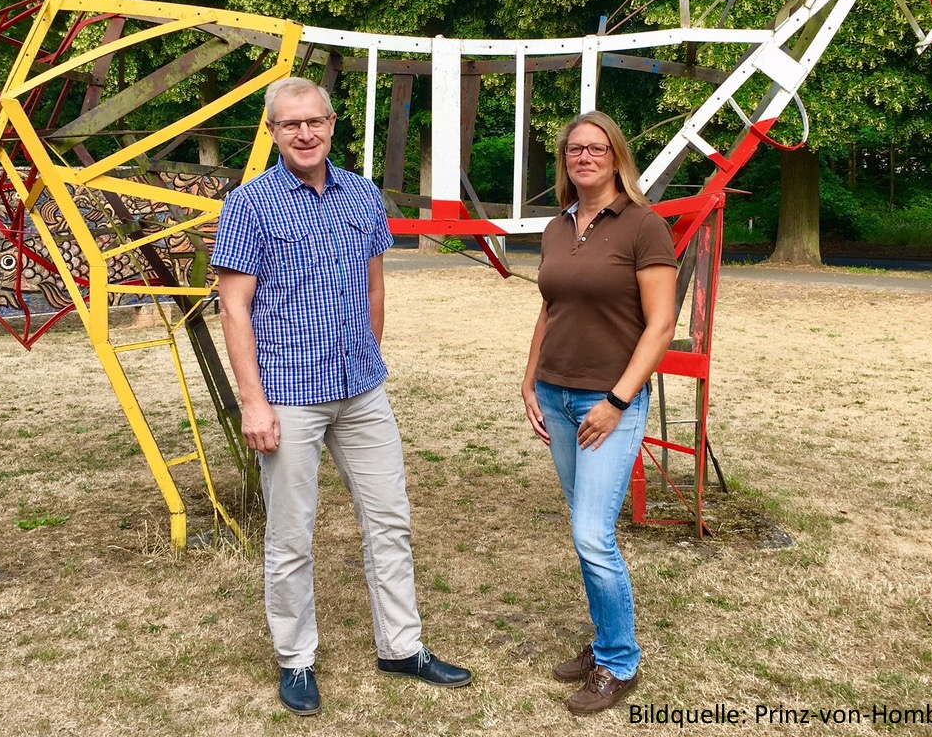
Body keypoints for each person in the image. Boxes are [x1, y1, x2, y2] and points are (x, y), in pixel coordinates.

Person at [212, 77, 472, 716]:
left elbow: (375, 290)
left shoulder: (361, 194)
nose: (304, 134)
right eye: (290, 125)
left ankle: (401, 647)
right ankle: (296, 659)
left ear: (332, 124)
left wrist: (370, 358)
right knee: (291, 535)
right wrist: (252, 401)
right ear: (272, 132)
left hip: (361, 392)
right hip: (288, 395)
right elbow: (234, 309)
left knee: (390, 520)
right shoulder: (251, 204)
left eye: (314, 122)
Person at [521, 111, 678, 715]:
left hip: (606, 401)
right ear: (565, 162)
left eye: (597, 147)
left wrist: (617, 401)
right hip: (557, 396)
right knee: (587, 531)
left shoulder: (644, 226)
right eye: (574, 149)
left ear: (616, 156)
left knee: (592, 534)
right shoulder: (558, 228)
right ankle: (604, 641)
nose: (585, 157)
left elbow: (661, 324)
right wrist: (530, 378)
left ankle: (619, 661)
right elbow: (549, 308)